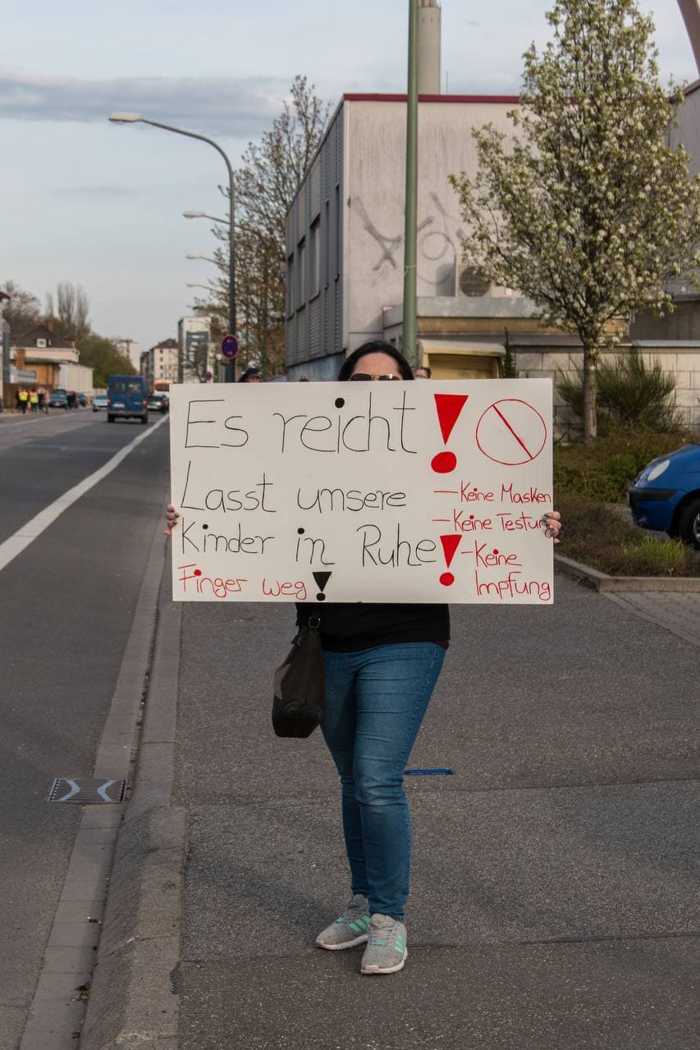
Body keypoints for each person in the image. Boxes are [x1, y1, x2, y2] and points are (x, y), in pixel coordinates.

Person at [164, 339, 562, 976]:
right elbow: (250, 506)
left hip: (407, 636)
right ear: (342, 386)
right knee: (353, 783)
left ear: (411, 387)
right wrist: (194, 523)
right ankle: (361, 901)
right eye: (363, 377)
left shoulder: (438, 455)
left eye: (389, 377)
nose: (376, 387)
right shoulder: (308, 452)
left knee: (377, 779)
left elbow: (494, 500)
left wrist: (532, 525)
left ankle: (388, 918)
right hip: (328, 642)